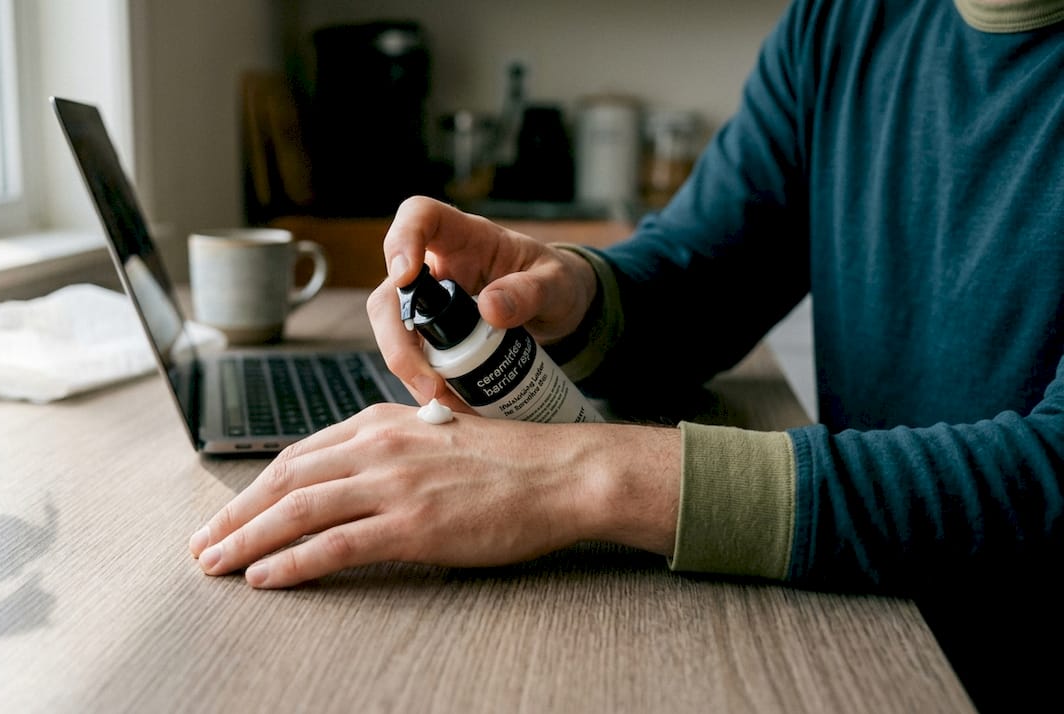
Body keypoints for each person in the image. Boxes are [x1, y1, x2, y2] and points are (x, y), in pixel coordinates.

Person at [190, 0, 1062, 708]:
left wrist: (583, 476)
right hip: (872, 627)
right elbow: (708, 269)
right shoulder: (844, 24)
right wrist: (565, 289)